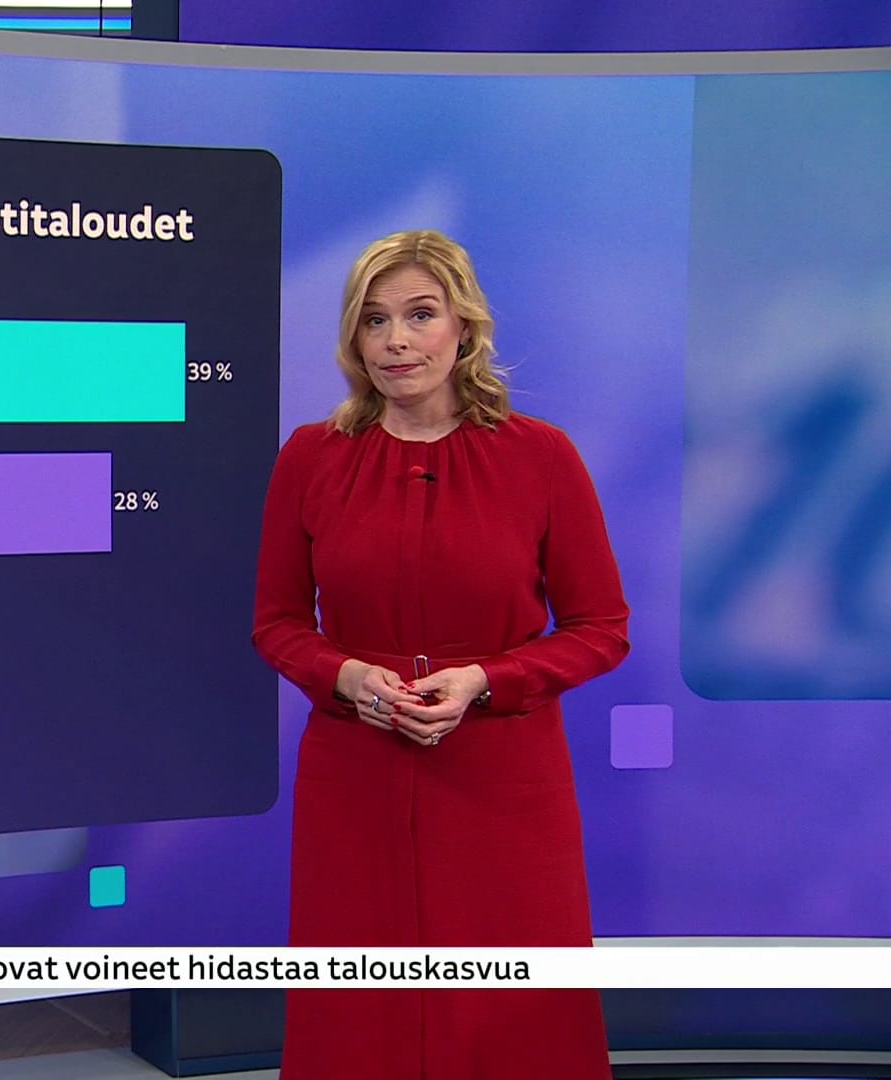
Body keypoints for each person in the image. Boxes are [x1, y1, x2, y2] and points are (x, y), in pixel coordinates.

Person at [252, 229, 629, 1078]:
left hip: (503, 778)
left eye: (420, 315)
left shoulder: (541, 457)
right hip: (356, 772)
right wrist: (345, 677)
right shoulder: (311, 457)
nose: (396, 340)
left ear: (465, 327)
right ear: (353, 338)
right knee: (361, 1013)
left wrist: (487, 681)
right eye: (374, 319)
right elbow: (276, 622)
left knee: (514, 1018)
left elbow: (601, 627)